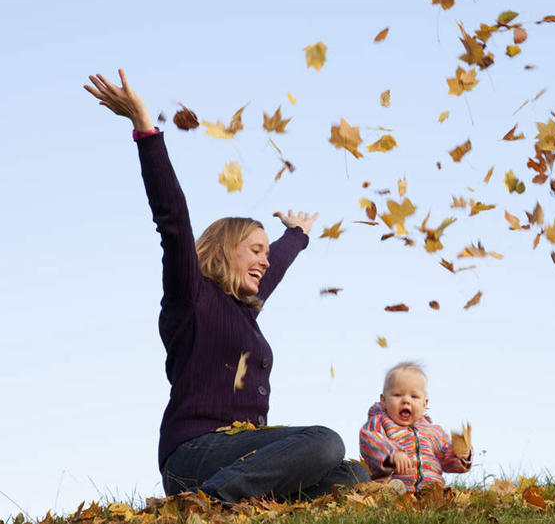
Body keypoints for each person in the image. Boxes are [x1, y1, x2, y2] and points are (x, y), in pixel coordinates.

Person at [84, 69, 368, 502]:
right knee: (326, 441)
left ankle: (241, 499)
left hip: (242, 456)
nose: (264, 259)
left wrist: (297, 236)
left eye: (266, 252)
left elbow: (277, 266)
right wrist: (145, 129)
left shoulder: (244, 308)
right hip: (195, 453)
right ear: (224, 249)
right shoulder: (191, 294)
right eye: (254, 249)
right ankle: (206, 503)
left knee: (351, 475)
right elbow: (173, 222)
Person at [359, 361, 471, 492]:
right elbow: (370, 440)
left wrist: (461, 455)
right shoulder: (379, 422)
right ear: (384, 400)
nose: (406, 400)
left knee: (440, 493)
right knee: (390, 488)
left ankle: (434, 494)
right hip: (395, 484)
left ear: (424, 404)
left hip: (430, 489)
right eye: (398, 395)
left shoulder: (435, 432)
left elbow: (446, 458)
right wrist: (392, 453)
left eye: (414, 396)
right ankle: (392, 494)